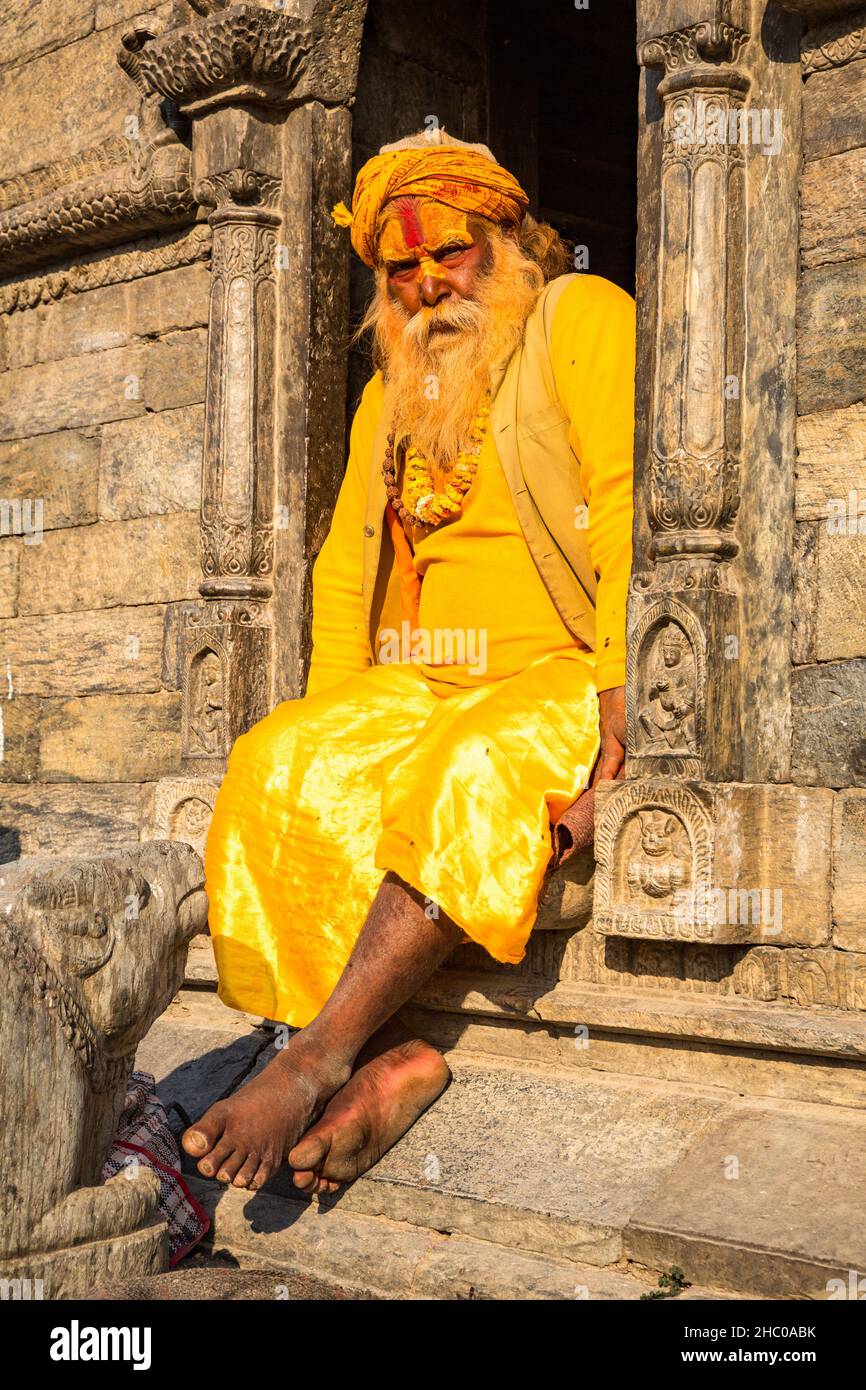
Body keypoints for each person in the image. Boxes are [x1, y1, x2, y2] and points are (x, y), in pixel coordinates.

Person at [182, 130, 635, 1197]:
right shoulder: (397, 383)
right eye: (402, 268)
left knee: (464, 775)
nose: (430, 283)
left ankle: (312, 1056)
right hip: (426, 676)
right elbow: (347, 566)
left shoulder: (581, 316)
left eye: (454, 254)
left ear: (511, 242)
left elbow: (623, 503)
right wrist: (338, 736)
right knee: (278, 765)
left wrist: (620, 690)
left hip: (556, 669)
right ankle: (387, 1061)